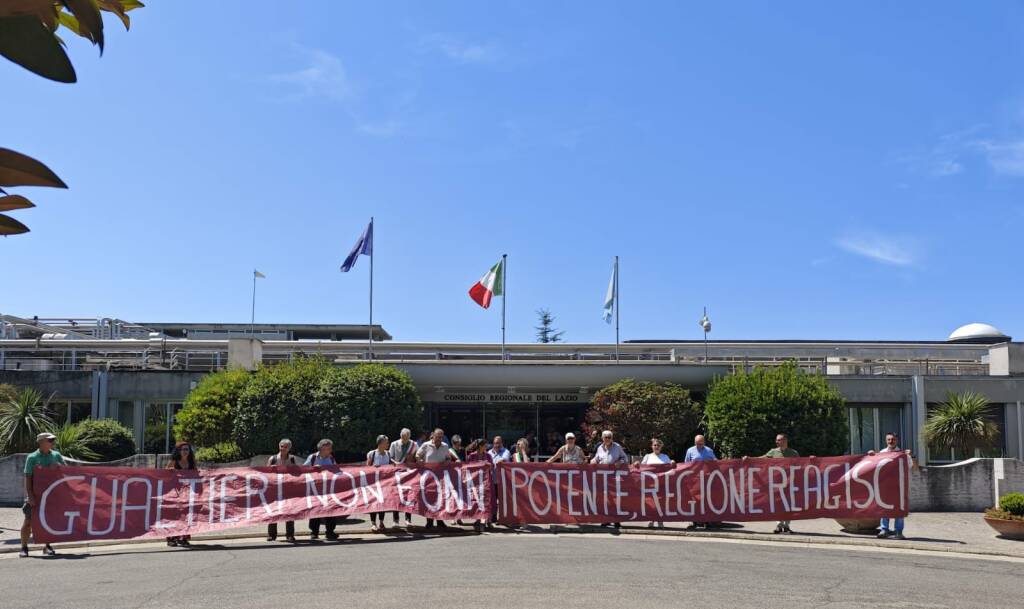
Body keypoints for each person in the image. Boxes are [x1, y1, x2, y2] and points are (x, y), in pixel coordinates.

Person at [20, 432, 65, 557]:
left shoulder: (56, 455)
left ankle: (47, 546)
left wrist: (58, 466)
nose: (52, 442)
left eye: (53, 440)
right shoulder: (32, 457)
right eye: (49, 440)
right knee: (28, 521)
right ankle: (24, 547)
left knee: (48, 521)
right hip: (35, 495)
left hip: (51, 495)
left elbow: (65, 471)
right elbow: (28, 478)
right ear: (40, 442)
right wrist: (30, 496)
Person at [870, 432, 911, 540]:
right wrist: (870, 456)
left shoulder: (902, 454)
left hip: (899, 487)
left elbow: (912, 467)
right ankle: (885, 530)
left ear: (896, 440)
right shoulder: (882, 453)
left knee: (899, 509)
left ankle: (898, 532)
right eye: (888, 439)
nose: (890, 441)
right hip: (885, 487)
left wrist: (910, 456)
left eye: (892, 439)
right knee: (884, 508)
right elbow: (873, 466)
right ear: (886, 440)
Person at [759, 433, 800, 534]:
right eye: (776, 440)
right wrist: (749, 459)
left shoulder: (793, 453)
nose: (776, 442)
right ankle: (778, 525)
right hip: (777, 483)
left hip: (790, 483)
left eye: (779, 440)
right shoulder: (773, 452)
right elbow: (762, 458)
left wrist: (813, 460)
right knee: (778, 504)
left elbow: (802, 464)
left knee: (789, 505)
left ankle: (786, 526)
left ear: (785, 440)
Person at [416, 428, 453, 529]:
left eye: (441, 437)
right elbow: (418, 455)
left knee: (441, 499)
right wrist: (420, 460)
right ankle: (429, 522)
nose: (439, 439)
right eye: (438, 437)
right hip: (429, 476)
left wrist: (448, 461)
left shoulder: (445, 446)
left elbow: (448, 457)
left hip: (441, 477)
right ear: (433, 436)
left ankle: (440, 522)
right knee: (429, 499)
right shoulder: (426, 445)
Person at [591, 430, 629, 529]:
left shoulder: (617, 447)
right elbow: (597, 458)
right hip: (603, 477)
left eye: (609, 437)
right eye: (605, 437)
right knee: (605, 499)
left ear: (612, 438)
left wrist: (620, 462)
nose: (607, 439)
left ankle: (616, 520)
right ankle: (606, 519)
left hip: (614, 477)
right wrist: (594, 460)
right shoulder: (599, 448)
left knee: (615, 498)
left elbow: (625, 458)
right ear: (602, 438)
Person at [266, 438, 299, 542]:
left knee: (289, 512)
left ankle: (290, 535)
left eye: (285, 447)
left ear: (289, 449)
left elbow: (297, 473)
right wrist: (272, 468)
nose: (283, 449)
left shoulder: (292, 459)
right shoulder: (273, 459)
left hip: (288, 490)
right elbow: (266, 473)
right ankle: (272, 535)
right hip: (275, 490)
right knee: (273, 512)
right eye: (281, 446)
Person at [305, 439, 338, 540]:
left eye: (330, 448)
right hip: (315, 488)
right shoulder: (313, 457)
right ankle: (314, 532)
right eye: (328, 448)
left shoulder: (331, 459)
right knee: (315, 510)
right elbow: (303, 470)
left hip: (328, 489)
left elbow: (337, 470)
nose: (330, 450)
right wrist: (313, 468)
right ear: (321, 449)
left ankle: (330, 531)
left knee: (331, 510)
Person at [166, 441, 196, 548]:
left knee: (186, 515)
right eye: (183, 449)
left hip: (188, 492)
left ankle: (183, 538)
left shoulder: (191, 462)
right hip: (176, 492)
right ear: (179, 451)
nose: (185, 452)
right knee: (175, 515)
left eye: (187, 449)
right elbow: (165, 473)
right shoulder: (174, 461)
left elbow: (196, 474)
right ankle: (171, 538)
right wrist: (171, 471)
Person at [684, 434, 717, 530]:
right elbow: (686, 464)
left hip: (706, 480)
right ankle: (694, 522)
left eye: (701, 444)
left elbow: (716, 462)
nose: (699, 446)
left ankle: (707, 522)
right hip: (694, 480)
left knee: (706, 500)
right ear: (695, 442)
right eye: (697, 444)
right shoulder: (690, 451)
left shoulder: (709, 451)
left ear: (704, 442)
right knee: (695, 500)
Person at [641, 438, 674, 529]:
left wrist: (672, 462)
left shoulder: (665, 457)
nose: (656, 447)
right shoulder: (647, 456)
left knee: (661, 502)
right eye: (655, 445)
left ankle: (660, 521)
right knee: (651, 502)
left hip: (662, 484)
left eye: (658, 445)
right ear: (652, 446)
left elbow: (670, 467)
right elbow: (641, 468)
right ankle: (651, 520)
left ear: (661, 447)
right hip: (650, 484)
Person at [388, 428, 418, 526]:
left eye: (406, 437)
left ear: (409, 437)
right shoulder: (394, 444)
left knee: (409, 496)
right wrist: (395, 462)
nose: (404, 439)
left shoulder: (414, 445)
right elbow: (390, 457)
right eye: (402, 437)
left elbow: (417, 457)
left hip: (409, 474)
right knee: (396, 496)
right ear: (400, 436)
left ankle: (408, 519)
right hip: (397, 473)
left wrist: (413, 460)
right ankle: (395, 520)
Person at [465, 438, 494, 532]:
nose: (486, 447)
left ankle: (487, 520)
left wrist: (489, 465)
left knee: (487, 500)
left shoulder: (488, 455)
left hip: (486, 481)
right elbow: (467, 467)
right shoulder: (471, 456)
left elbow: (492, 466)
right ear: (480, 446)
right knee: (477, 500)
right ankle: (478, 519)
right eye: (485, 445)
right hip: (475, 482)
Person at [367, 434, 394, 533]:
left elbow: (392, 464)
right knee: (374, 503)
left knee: (383, 503)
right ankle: (373, 523)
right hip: (374, 483)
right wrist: (373, 467)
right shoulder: (372, 454)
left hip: (385, 483)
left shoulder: (388, 454)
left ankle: (381, 522)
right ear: (380, 443)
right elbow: (367, 468)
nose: (388, 444)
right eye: (386, 442)